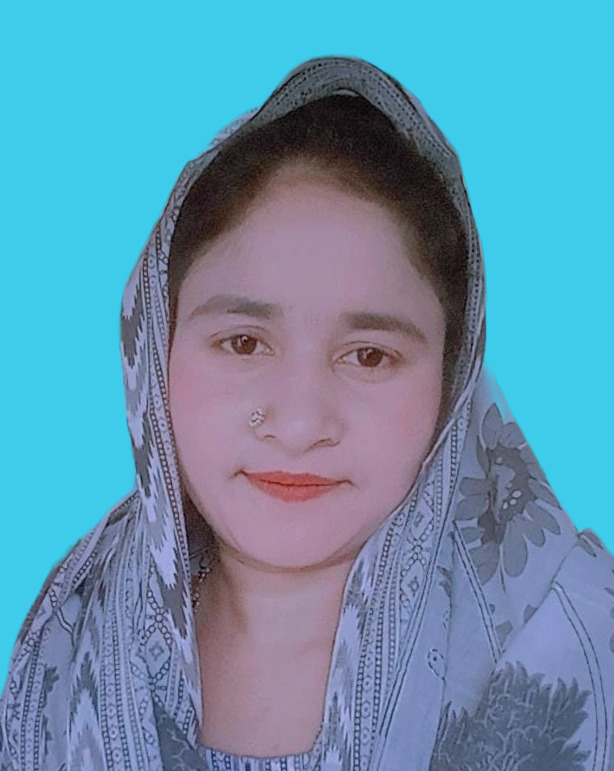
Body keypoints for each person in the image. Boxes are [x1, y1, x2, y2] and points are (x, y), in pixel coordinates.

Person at [1, 55, 612, 771]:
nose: (298, 425)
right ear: (153, 349)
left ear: (453, 382)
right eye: (243, 342)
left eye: (369, 356)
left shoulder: (580, 639)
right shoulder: (70, 635)